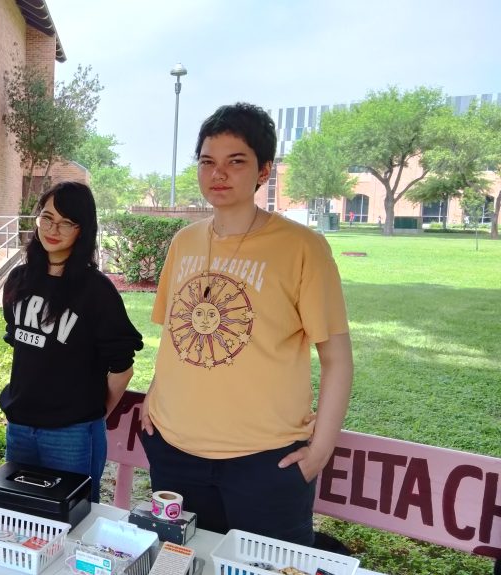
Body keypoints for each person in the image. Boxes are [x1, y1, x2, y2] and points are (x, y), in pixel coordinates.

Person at [140, 103, 353, 545]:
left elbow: (337, 359)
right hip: (174, 451)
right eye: (207, 162)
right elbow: (174, 334)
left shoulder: (303, 248)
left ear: (264, 171)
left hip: (265, 462)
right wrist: (155, 397)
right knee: (183, 562)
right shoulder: (184, 242)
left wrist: (321, 449)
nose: (219, 174)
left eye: (235, 161)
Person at [0, 181, 143, 503]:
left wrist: (92, 414)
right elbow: (24, 345)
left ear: (83, 229)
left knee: (73, 523)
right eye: (47, 218)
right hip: (20, 426)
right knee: (21, 514)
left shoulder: (96, 291)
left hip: (71, 434)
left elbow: (122, 367)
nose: (54, 229)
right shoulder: (19, 281)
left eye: (67, 222)